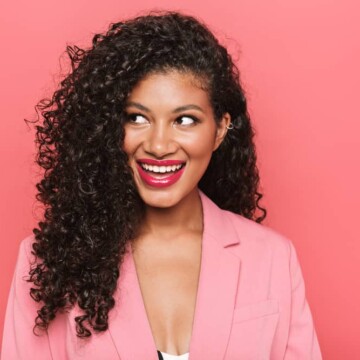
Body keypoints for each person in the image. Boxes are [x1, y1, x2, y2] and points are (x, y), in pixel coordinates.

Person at [1, 10, 322, 360]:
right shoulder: (49, 261)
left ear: (219, 129)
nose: (158, 144)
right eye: (136, 117)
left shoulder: (272, 258)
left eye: (185, 120)